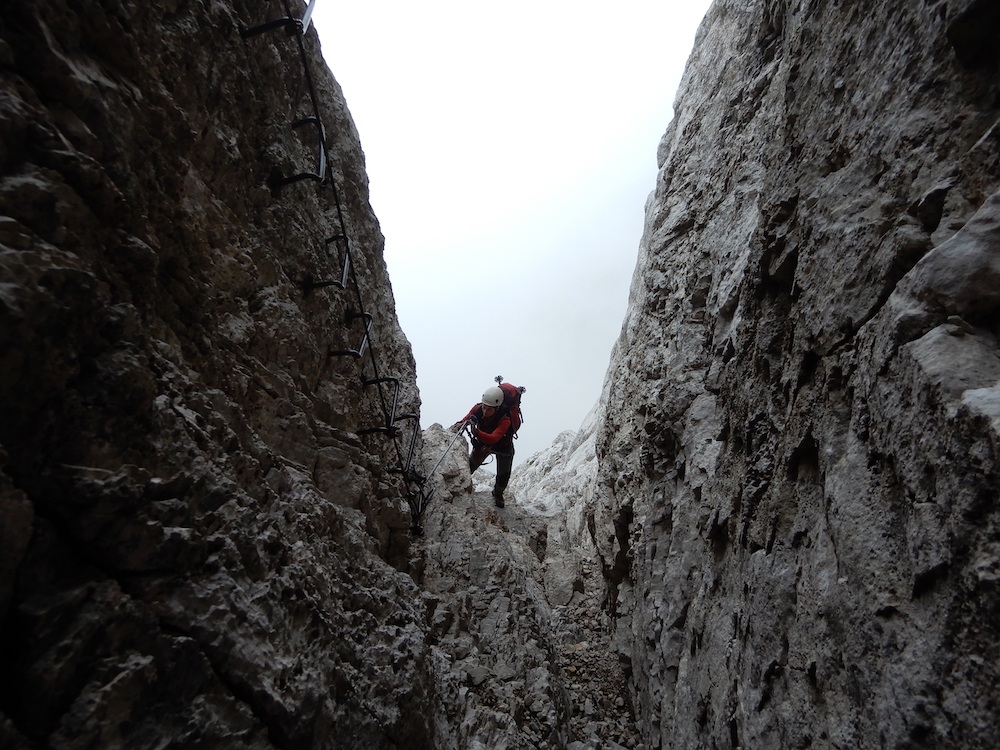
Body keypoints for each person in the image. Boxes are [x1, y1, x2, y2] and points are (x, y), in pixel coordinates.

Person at [453, 385, 514, 507]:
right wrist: (458, 425)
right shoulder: (477, 409)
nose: (485, 412)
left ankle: (498, 493)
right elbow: (466, 419)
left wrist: (477, 432)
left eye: (489, 409)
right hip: (484, 443)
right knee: (471, 465)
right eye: (484, 407)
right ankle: (459, 483)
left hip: (503, 448)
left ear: (497, 408)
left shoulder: (505, 419)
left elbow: (494, 438)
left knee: (503, 475)